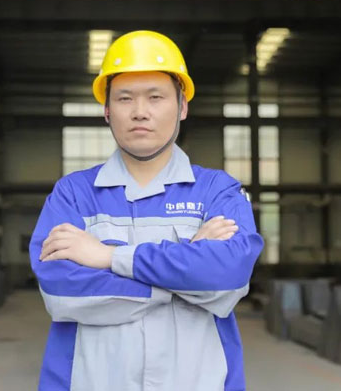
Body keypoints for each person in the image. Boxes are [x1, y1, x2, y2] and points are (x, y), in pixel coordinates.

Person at [30, 30, 264, 391]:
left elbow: (227, 277)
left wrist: (108, 257)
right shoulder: (73, 194)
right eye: (125, 98)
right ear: (107, 110)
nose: (140, 112)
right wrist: (184, 274)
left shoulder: (218, 191)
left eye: (156, 97)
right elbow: (63, 292)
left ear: (182, 107)